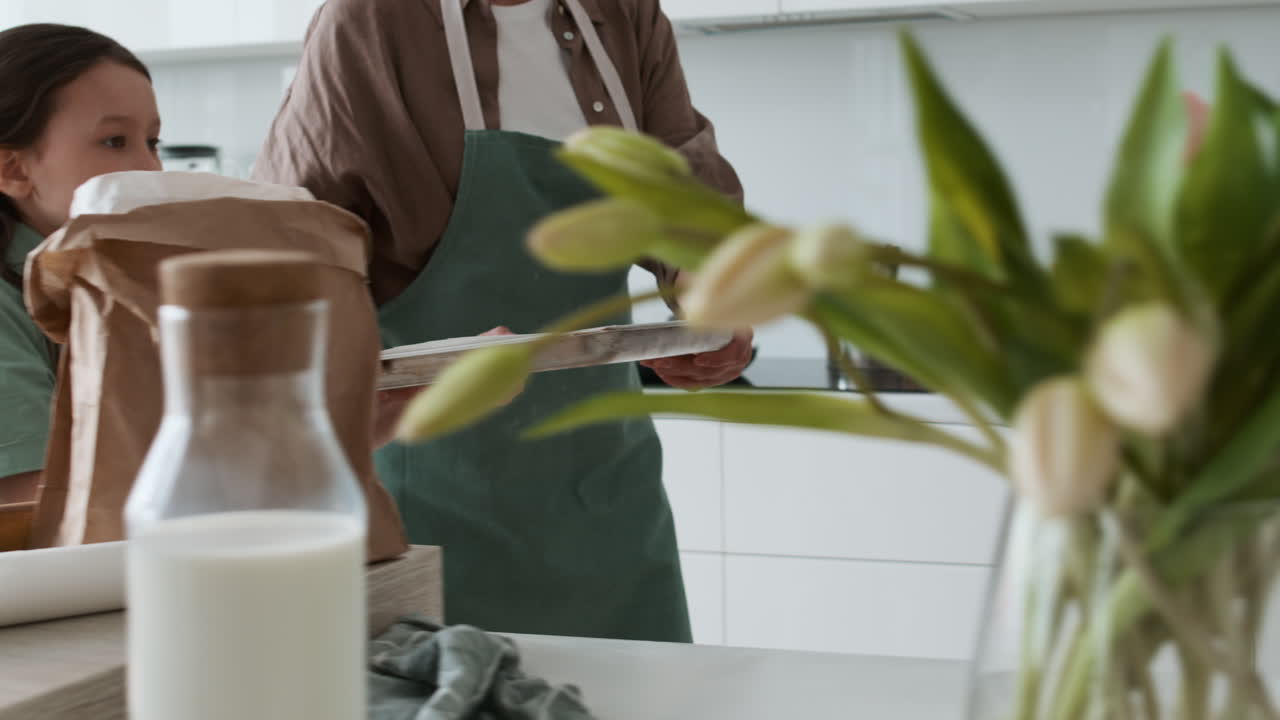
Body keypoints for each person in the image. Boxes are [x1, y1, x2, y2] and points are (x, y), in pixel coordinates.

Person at [255, 0, 753, 642]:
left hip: (607, 497)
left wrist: (715, 307)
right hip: (429, 495)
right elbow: (292, 240)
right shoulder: (372, 19)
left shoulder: (625, 14)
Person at [0, 24, 162, 506]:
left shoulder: (109, 281)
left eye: (153, 142)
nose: (150, 168)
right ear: (13, 170)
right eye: (115, 141)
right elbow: (28, 501)